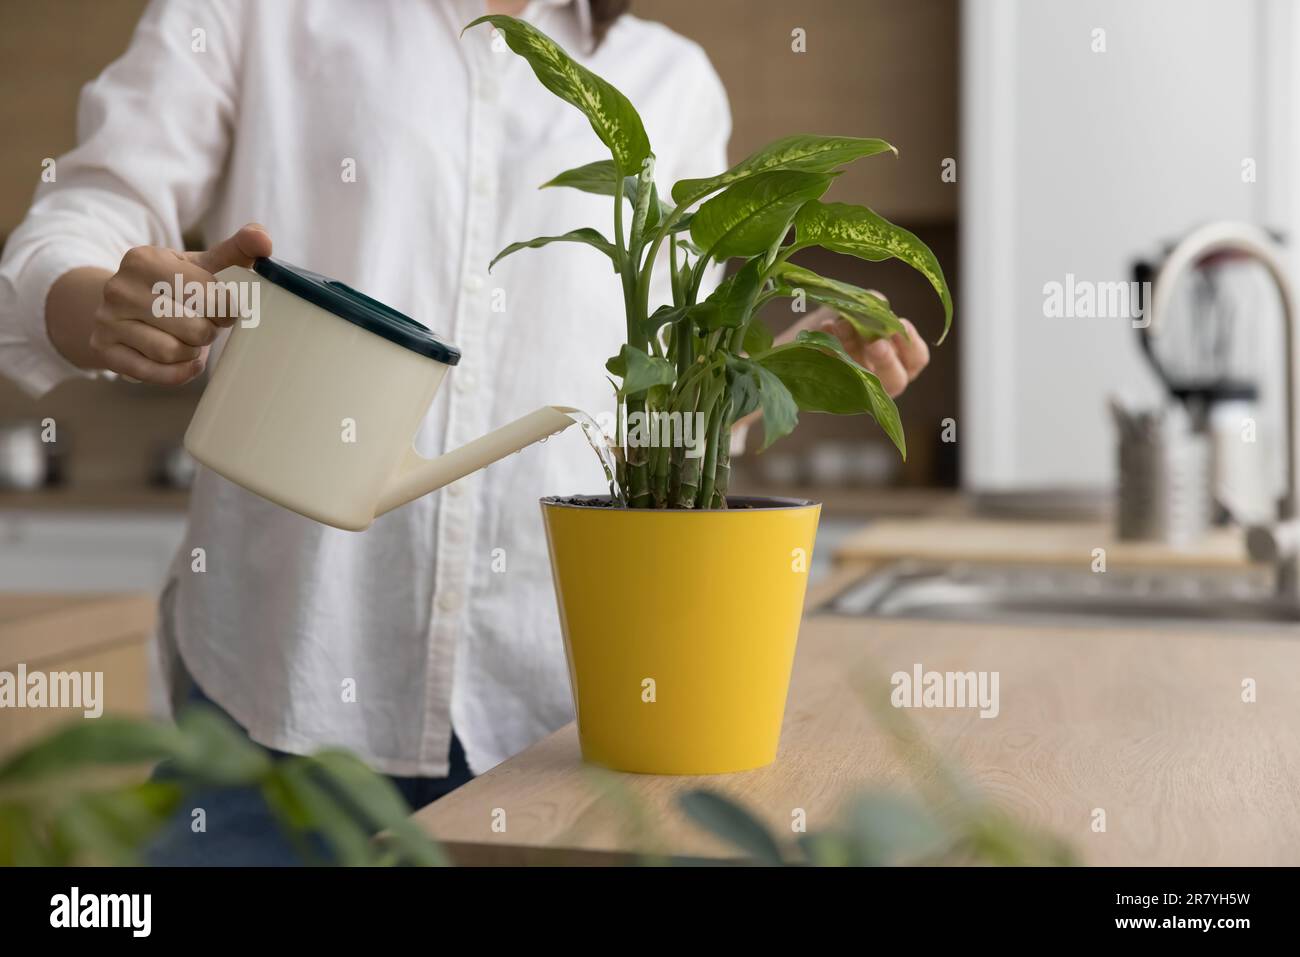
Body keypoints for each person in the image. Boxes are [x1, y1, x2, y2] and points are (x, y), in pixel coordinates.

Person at [0, 0, 929, 864]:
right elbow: (79, 222)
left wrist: (771, 374)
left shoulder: (669, 78)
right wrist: (104, 302)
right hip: (279, 711)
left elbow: (654, 426)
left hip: (557, 732)